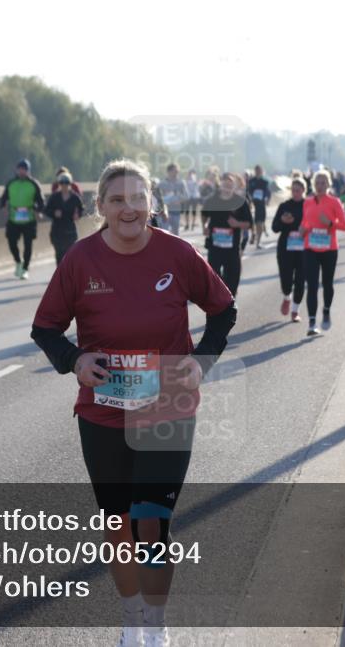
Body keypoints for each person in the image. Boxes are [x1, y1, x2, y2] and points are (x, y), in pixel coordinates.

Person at [30, 159, 237, 647]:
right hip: (102, 412)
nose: (129, 208)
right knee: (119, 525)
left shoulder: (178, 254)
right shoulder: (80, 260)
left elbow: (224, 309)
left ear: (153, 203)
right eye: (118, 199)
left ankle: (157, 626)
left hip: (167, 406)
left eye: (138, 198)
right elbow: (45, 329)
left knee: (152, 521)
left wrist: (203, 359)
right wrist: (75, 360)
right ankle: (131, 618)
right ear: (99, 206)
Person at [300, 170, 345, 335]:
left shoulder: (334, 202)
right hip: (310, 248)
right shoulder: (307, 202)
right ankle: (312, 322)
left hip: (329, 249)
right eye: (317, 183)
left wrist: (329, 223)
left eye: (323, 183)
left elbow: (344, 225)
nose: (320, 186)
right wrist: (302, 230)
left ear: (328, 185)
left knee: (327, 284)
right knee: (312, 285)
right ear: (313, 184)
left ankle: (326, 310)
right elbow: (305, 222)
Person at [202, 172, 253, 297]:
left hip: (232, 249)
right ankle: (215, 307)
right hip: (215, 247)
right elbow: (204, 214)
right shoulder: (212, 200)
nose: (227, 188)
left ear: (234, 186)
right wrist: (204, 226)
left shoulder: (240, 201)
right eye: (225, 185)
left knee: (232, 281)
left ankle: (230, 305)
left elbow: (249, 223)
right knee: (213, 279)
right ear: (220, 185)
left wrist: (237, 224)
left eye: (230, 185)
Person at [0, 159, 45, 280]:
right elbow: (3, 198)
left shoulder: (34, 184)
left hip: (29, 219)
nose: (21, 171)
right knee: (11, 241)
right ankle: (18, 261)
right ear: (16, 170)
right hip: (14, 218)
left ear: (28, 171)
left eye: (24, 169)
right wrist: (3, 207)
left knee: (28, 245)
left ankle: (25, 269)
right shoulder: (11, 183)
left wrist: (38, 211)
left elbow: (41, 201)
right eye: (19, 169)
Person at [271, 177, 307, 322]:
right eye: (293, 190)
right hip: (285, 249)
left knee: (300, 280)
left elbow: (314, 225)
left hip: (304, 250)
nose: (295, 193)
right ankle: (287, 296)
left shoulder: (309, 206)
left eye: (298, 190)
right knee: (286, 279)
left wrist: (304, 228)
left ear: (304, 190)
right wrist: (282, 221)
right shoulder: (284, 206)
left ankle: (295, 310)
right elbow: (274, 227)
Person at [44, 172, 85, 265]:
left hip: (70, 231)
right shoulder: (54, 197)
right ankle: (61, 276)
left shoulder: (75, 197)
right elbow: (46, 210)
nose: (64, 185)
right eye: (62, 183)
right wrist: (54, 213)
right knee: (59, 254)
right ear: (59, 184)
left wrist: (78, 215)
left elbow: (81, 209)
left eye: (66, 182)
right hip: (57, 231)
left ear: (70, 184)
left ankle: (69, 275)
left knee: (70, 254)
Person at [245, 165, 272, 249]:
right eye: (256, 170)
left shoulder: (265, 182)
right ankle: (254, 235)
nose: (258, 172)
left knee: (260, 223)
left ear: (262, 171)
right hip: (252, 205)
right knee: (253, 222)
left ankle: (258, 241)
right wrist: (250, 199)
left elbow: (268, 192)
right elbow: (247, 191)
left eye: (259, 170)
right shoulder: (251, 181)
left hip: (261, 205)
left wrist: (267, 200)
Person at [158, 163, 187, 236]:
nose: (177, 173)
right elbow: (156, 197)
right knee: (165, 233)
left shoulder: (181, 183)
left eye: (178, 171)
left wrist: (179, 200)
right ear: (168, 172)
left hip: (176, 212)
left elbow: (186, 196)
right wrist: (163, 201)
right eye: (175, 171)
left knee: (176, 234)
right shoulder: (161, 184)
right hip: (165, 213)